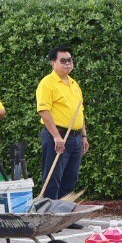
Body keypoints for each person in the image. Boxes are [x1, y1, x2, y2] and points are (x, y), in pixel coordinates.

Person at [35, 48, 88, 201]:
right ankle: (51, 212)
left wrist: (84, 136)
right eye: (63, 60)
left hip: (75, 137)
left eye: (69, 60)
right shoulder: (47, 83)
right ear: (53, 63)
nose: (68, 63)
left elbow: (79, 112)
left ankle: (64, 211)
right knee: (53, 179)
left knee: (70, 179)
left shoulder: (74, 84)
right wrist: (56, 136)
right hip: (58, 136)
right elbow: (43, 111)